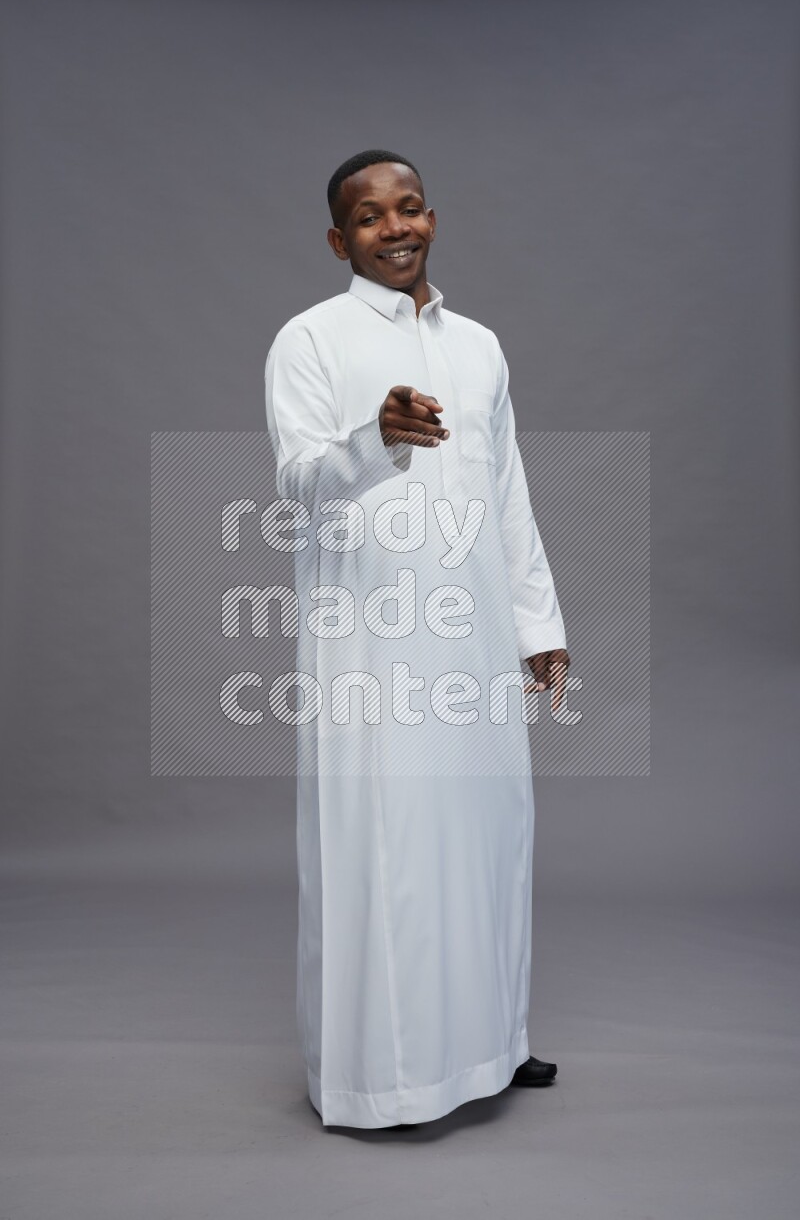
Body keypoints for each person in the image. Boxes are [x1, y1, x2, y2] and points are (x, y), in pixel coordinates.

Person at [264, 149, 570, 1129]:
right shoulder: (309, 340)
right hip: (374, 640)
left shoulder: (479, 345)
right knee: (390, 847)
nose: (393, 227)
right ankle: (386, 1079)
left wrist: (537, 624)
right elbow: (298, 481)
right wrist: (377, 438)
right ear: (337, 240)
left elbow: (506, 489)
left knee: (488, 834)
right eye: (368, 217)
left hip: (474, 633)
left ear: (431, 218)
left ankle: (495, 1043)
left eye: (409, 208)